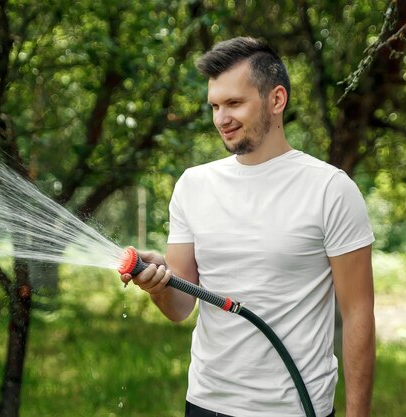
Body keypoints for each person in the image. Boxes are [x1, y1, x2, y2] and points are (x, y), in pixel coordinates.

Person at [120, 36, 375, 417]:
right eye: (215, 106)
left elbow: (358, 314)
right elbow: (180, 307)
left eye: (234, 103)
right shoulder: (194, 185)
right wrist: (158, 285)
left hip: (295, 408)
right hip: (207, 402)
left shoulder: (330, 189)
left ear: (276, 100)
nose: (221, 118)